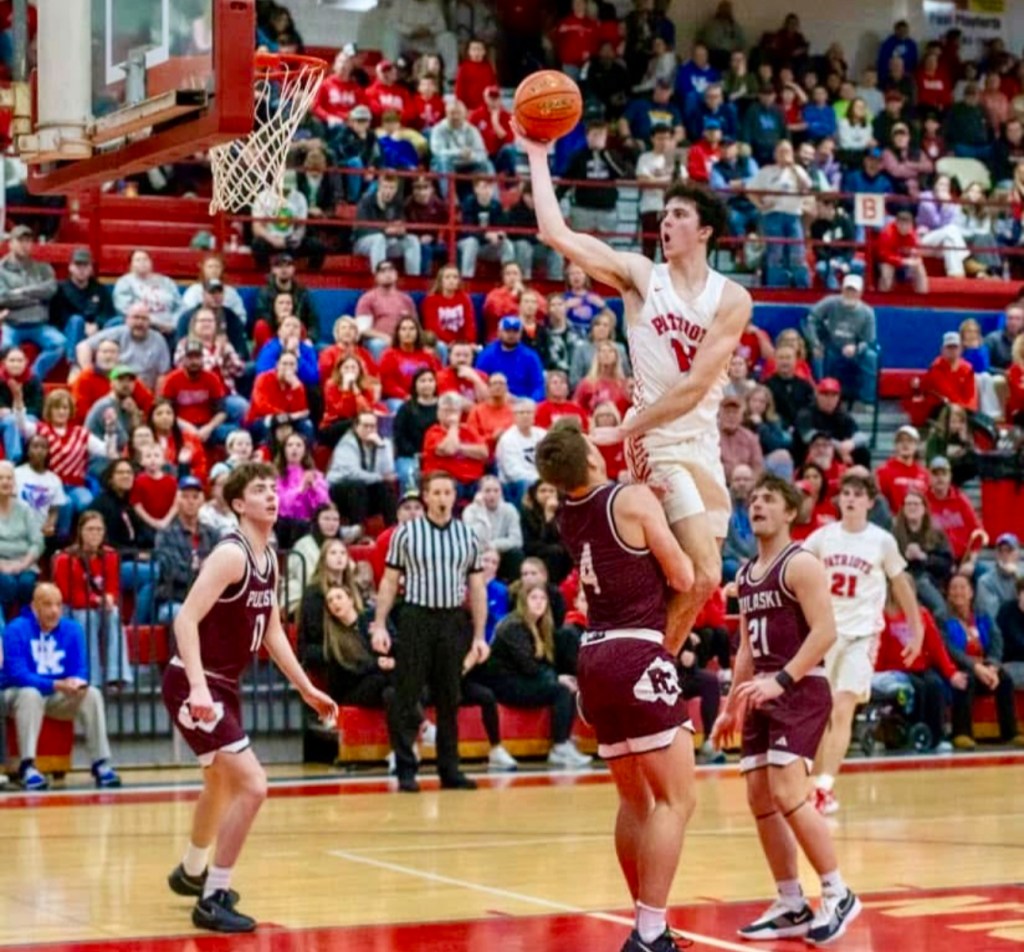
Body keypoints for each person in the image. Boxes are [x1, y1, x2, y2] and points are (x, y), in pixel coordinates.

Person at [524, 124, 752, 658]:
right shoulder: (641, 277)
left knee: (697, 583)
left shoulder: (732, 298)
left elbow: (698, 386)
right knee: (701, 575)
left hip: (700, 445)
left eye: (679, 215)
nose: (666, 222)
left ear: (706, 232)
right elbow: (559, 234)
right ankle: (649, 673)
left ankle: (632, 650)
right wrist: (538, 155)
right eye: (664, 214)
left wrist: (626, 425)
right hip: (654, 441)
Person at [536, 418, 696, 952]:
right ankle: (651, 932)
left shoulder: (568, 512)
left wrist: (640, 496)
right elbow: (683, 577)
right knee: (677, 800)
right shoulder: (630, 500)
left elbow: (613, 524)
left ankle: (646, 924)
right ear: (589, 458)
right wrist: (657, 506)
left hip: (594, 657)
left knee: (635, 802)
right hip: (636, 649)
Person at [162, 462, 337, 933]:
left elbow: (273, 630)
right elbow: (185, 620)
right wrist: (198, 686)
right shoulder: (231, 555)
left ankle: (192, 873)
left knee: (219, 785)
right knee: (253, 786)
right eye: (258, 490)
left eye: (272, 489)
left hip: (222, 684)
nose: (271, 496)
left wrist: (306, 687)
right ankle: (213, 896)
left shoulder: (270, 556)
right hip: (194, 681)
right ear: (238, 504)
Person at [711, 474, 861, 945]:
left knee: (788, 791)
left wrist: (781, 680)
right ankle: (791, 901)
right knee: (759, 796)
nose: (757, 505)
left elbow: (825, 633)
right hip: (761, 690)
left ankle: (838, 892)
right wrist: (729, 705)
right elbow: (745, 651)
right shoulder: (745, 573)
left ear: (789, 512)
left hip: (798, 686)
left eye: (768, 499)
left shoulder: (802, 564)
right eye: (753, 499)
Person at [803, 473, 923, 815]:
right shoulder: (822, 537)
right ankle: (811, 785)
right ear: (839, 500)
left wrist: (917, 631)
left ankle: (824, 787)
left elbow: (902, 587)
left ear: (871, 502)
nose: (851, 499)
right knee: (821, 711)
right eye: (846, 494)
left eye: (858, 494)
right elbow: (789, 566)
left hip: (861, 636)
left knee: (843, 708)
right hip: (824, 633)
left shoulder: (882, 541)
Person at [370, 470, 489, 793]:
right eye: (435, 493)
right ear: (425, 497)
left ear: (454, 496)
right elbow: (390, 581)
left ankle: (449, 769)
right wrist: (379, 623)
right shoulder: (406, 535)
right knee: (406, 694)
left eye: (447, 492)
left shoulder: (468, 536)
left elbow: (476, 588)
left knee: (450, 697)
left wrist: (479, 635)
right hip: (415, 617)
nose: (441, 498)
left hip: (452, 620)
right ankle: (407, 768)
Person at [2, 583, 122, 790]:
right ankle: (27, 766)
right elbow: (17, 674)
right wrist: (55, 684)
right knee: (30, 694)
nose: (54, 610)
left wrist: (77, 682)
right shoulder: (16, 630)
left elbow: (80, 669)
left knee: (91, 693)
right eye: (47, 605)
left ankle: (101, 764)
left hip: (56, 695)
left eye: (58, 604)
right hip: (14, 695)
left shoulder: (73, 630)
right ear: (34, 606)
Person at [0, 225, 62, 380]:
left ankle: (32, 377)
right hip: (12, 324)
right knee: (5, 348)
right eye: (20, 240)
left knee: (60, 343)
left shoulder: (43, 268)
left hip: (39, 324)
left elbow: (50, 290)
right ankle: (7, 384)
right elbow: (3, 298)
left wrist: (20, 292)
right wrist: (35, 297)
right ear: (10, 243)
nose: (24, 244)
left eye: (28, 240)